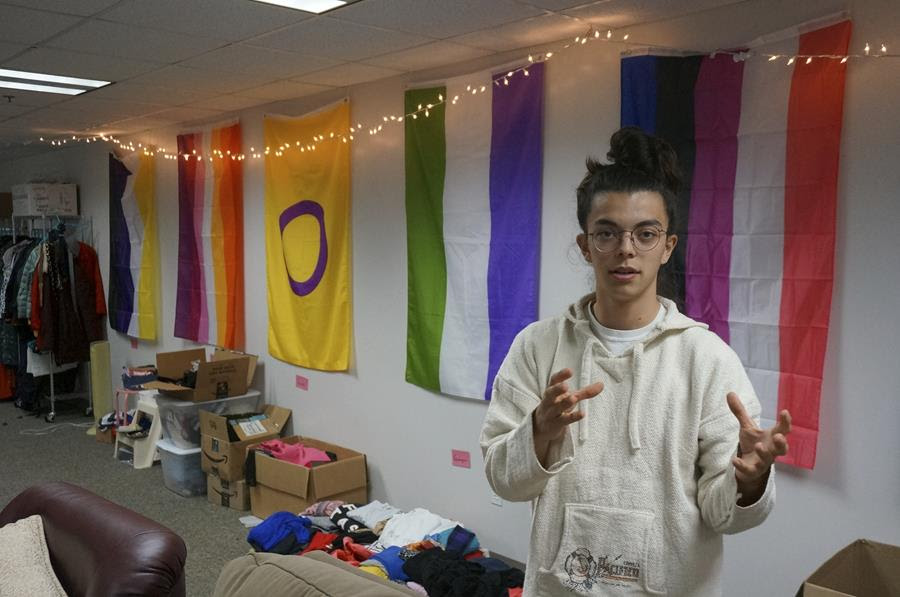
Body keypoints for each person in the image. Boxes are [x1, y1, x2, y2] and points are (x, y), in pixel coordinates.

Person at [480, 127, 792, 596]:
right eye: (607, 233)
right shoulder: (538, 347)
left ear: (667, 246)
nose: (626, 249)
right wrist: (538, 433)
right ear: (586, 245)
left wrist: (750, 479)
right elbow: (503, 481)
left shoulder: (706, 360)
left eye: (646, 234)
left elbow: (722, 513)